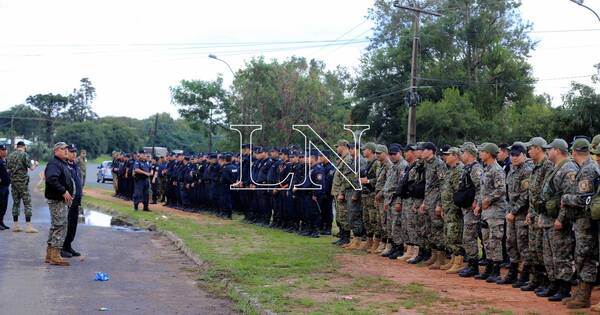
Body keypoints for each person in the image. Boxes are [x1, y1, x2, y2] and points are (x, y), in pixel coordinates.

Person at [561, 138, 600, 309]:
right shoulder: (586, 168)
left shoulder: (588, 170)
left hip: (585, 220)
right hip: (581, 220)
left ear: (574, 151)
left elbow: (585, 199)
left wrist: (566, 198)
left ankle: (584, 296)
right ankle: (581, 293)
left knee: (585, 256)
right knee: (581, 256)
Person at [538, 138, 577, 302]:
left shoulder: (568, 168)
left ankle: (564, 287)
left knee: (561, 255)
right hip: (548, 217)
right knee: (549, 255)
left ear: (558, 150)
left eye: (550, 149)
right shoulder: (556, 167)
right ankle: (553, 283)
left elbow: (568, 197)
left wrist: (561, 219)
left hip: (559, 220)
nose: (548, 151)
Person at [521, 137, 554, 292]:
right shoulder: (535, 166)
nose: (528, 151)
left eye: (531, 148)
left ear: (539, 148)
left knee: (541, 250)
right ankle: (537, 279)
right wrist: (530, 212)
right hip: (534, 213)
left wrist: (540, 213)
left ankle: (546, 281)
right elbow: (532, 193)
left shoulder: (547, 166)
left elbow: (545, 193)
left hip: (543, 214)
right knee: (533, 248)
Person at [497, 143, 533, 285]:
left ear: (524, 155)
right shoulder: (512, 169)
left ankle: (524, 275)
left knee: (523, 244)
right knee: (511, 243)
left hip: (521, 214)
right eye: (512, 155)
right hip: (511, 213)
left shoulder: (527, 170)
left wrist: (513, 211)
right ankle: (512, 272)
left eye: (517, 155)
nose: (514, 158)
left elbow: (526, 195)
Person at [474, 142, 507, 283]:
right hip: (486, 212)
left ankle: (496, 270)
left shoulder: (497, 170)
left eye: (482, 151)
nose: (480, 154)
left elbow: (501, 190)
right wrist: (479, 205)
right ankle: (488, 268)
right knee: (486, 240)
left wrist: (488, 199)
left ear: (488, 154)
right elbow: (483, 190)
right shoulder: (486, 169)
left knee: (495, 240)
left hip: (496, 212)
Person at [44, 142, 74, 266]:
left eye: (67, 149)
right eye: (63, 149)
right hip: (57, 200)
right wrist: (63, 191)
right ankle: (55, 255)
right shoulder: (54, 163)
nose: (66, 151)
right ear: (56, 150)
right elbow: (51, 178)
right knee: (60, 226)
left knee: (56, 225)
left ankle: (50, 255)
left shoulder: (62, 163)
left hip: (60, 200)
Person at [458, 142, 484, 278]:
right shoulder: (467, 168)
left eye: (462, 153)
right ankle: (471, 263)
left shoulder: (475, 168)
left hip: (472, 209)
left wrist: (477, 203)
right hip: (466, 208)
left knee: (469, 237)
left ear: (468, 153)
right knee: (467, 237)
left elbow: (480, 187)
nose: (461, 155)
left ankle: (474, 266)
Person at [420, 142, 447, 269]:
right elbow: (428, 186)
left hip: (436, 201)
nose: (422, 152)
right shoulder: (427, 164)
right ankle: (434, 255)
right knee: (430, 230)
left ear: (431, 151)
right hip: (429, 200)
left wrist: (439, 204)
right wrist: (424, 202)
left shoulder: (439, 164)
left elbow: (443, 185)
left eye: (424, 149)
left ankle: (440, 258)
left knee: (437, 229)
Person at [439, 147, 465, 273]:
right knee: (449, 235)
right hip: (447, 208)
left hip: (454, 209)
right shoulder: (450, 170)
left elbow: (457, 191)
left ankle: (459, 262)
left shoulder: (459, 170)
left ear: (455, 156)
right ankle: (453, 259)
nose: (445, 157)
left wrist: (453, 207)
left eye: (448, 154)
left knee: (455, 234)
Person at [7, 140, 38, 233]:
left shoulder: (11, 156)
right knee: (27, 203)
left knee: (16, 203)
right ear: (24, 147)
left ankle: (16, 225)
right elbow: (31, 168)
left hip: (13, 183)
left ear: (17, 146)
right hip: (23, 183)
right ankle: (28, 226)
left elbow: (8, 169)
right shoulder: (24, 155)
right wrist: (36, 164)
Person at [62, 144, 83, 258]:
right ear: (66, 152)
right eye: (71, 151)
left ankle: (68, 245)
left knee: (73, 224)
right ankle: (62, 247)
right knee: (66, 224)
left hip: (76, 200)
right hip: (68, 200)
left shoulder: (74, 165)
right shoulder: (64, 165)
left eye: (75, 151)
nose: (74, 154)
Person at [0, 145, 10, 230]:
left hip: (6, 186)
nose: (5, 151)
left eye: (5, 150)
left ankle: (1, 222)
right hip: (0, 187)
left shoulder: (5, 160)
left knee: (4, 205)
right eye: (3, 150)